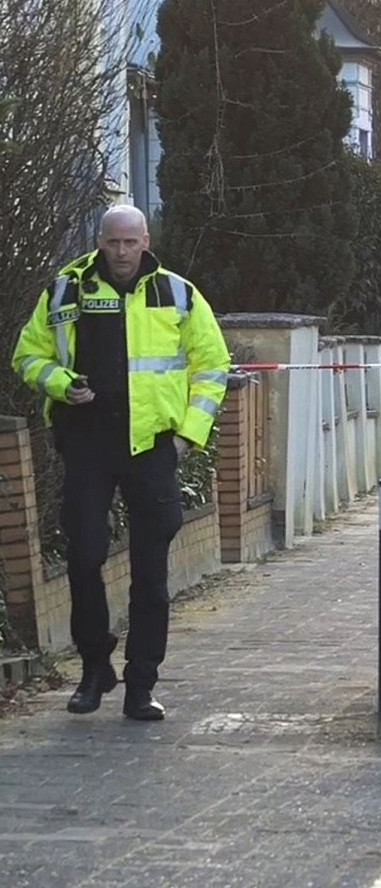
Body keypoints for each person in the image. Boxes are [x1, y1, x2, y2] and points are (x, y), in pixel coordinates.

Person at [10, 205, 230, 721]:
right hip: (86, 444)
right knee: (85, 557)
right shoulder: (66, 289)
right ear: (100, 242)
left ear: (146, 241)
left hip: (152, 447)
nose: (123, 252)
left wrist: (187, 437)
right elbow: (26, 357)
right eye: (114, 243)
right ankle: (94, 669)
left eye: (132, 243)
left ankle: (141, 685)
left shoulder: (176, 292)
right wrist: (62, 385)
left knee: (150, 575)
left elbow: (213, 365)